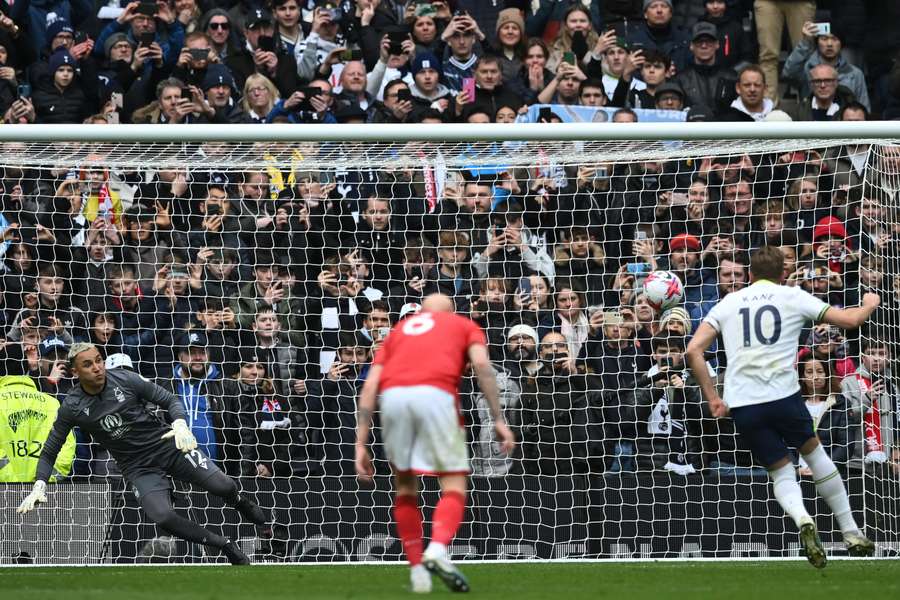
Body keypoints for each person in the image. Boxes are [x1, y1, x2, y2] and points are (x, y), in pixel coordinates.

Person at [685, 245, 878, 568]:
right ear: (783, 273)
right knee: (816, 455)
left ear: (749, 275)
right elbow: (850, 319)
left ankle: (803, 518)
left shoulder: (729, 302)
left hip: (744, 403)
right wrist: (870, 303)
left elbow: (693, 351)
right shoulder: (793, 296)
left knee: (780, 470)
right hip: (785, 397)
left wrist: (712, 398)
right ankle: (851, 530)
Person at [16, 342, 268, 565]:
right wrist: (40, 484)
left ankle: (239, 502)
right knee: (162, 516)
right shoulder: (71, 406)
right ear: (74, 372)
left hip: (168, 446)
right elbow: (50, 450)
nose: (97, 367)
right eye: (88, 364)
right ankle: (224, 545)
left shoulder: (125, 379)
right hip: (137, 466)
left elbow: (169, 400)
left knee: (223, 485)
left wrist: (179, 423)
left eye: (99, 360)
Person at [354, 294, 514, 593]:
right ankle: (438, 548)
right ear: (449, 312)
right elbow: (482, 368)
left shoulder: (397, 334)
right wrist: (498, 419)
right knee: (453, 485)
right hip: (437, 397)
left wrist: (360, 443)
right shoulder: (462, 325)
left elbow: (370, 386)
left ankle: (417, 570)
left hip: (395, 402)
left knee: (404, 488)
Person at [0, 340, 76, 482]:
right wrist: (43, 480)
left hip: (3, 494)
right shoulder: (51, 403)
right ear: (25, 367)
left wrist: (11, 482)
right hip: (44, 494)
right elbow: (67, 445)